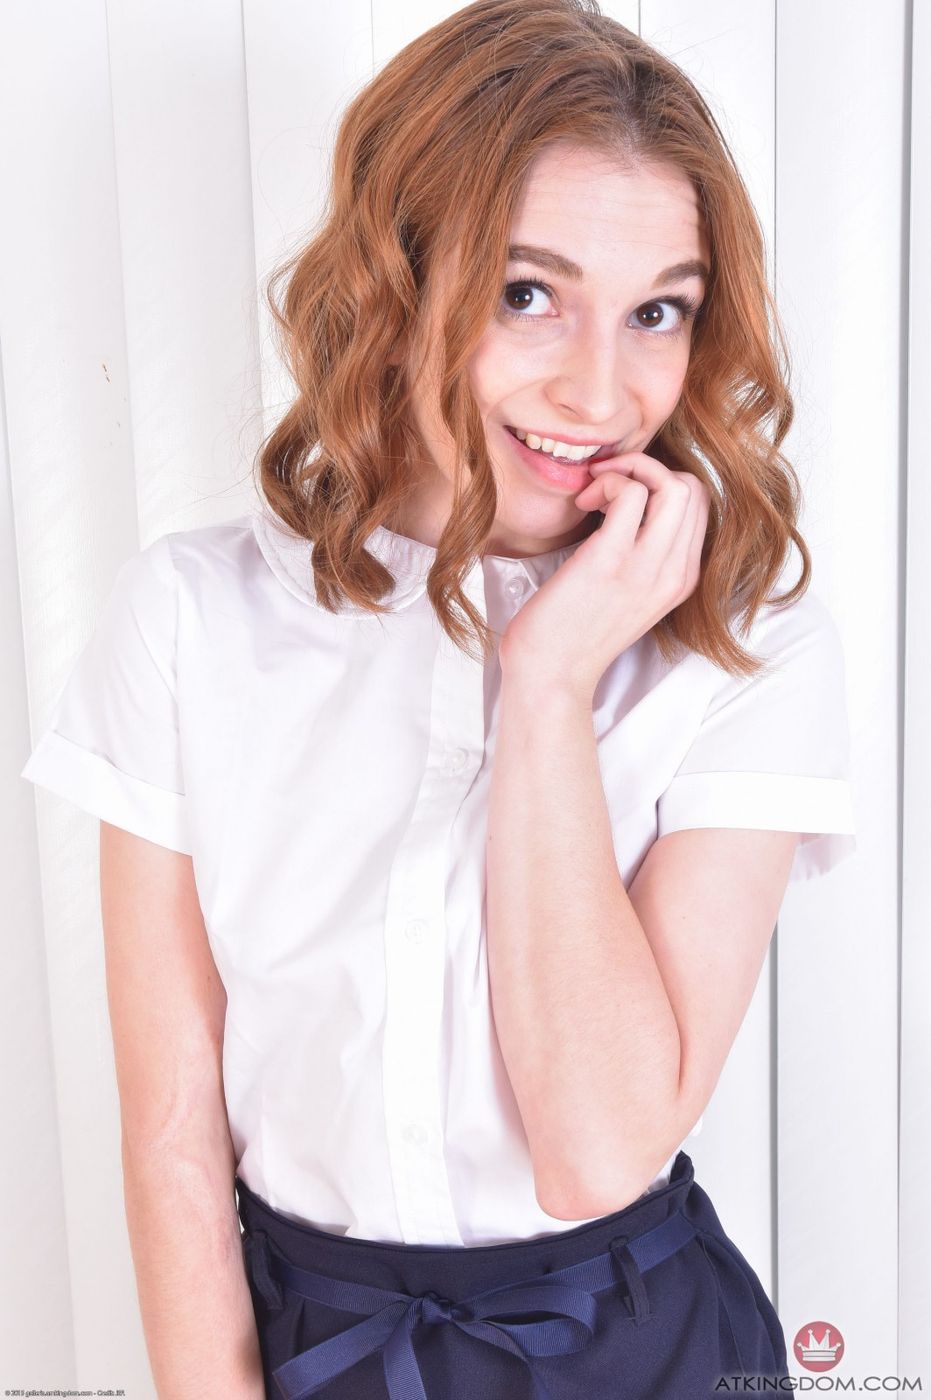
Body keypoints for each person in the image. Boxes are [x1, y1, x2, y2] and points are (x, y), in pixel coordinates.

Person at [21, 0, 858, 1395]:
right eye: (529, 294)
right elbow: (172, 1138)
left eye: (658, 311)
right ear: (397, 282)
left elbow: (600, 1149)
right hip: (313, 1347)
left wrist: (548, 686)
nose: (600, 390)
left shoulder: (748, 641)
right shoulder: (189, 617)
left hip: (645, 1353)